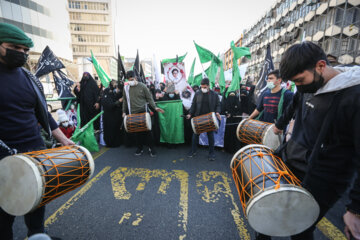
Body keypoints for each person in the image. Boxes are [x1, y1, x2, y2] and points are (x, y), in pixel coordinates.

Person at [275, 41, 360, 239]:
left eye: (299, 80)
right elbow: (296, 100)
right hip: (294, 162)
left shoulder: (354, 96)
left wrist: (356, 208)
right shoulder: (308, 84)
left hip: (325, 176)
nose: (298, 87)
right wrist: (280, 123)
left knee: (299, 227)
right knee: (269, 209)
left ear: (321, 66)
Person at [0, 22, 74, 240]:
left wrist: (63, 140)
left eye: (25, 50)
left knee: (37, 206)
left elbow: (44, 115)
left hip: (36, 152)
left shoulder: (29, 77)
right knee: (4, 215)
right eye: (15, 47)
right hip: (5, 160)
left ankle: (37, 235)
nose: (22, 54)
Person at [122, 70, 164, 157]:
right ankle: (139, 148)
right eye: (129, 80)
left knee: (148, 131)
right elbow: (125, 101)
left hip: (143, 111)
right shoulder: (126, 88)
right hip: (132, 113)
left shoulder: (143, 86)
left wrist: (155, 107)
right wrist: (123, 111)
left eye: (132, 79)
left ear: (136, 77)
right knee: (137, 132)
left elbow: (149, 98)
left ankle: (152, 148)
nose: (131, 81)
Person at [186, 78, 221, 161]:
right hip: (199, 118)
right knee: (195, 136)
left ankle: (211, 153)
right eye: (202, 87)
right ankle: (193, 151)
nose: (203, 89)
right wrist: (190, 113)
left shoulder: (214, 94)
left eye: (205, 87)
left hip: (210, 119)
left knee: (210, 136)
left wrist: (217, 112)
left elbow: (218, 105)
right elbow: (193, 104)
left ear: (208, 86)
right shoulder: (197, 93)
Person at [101, 80, 123, 147]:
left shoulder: (112, 93)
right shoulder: (107, 94)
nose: (115, 88)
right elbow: (110, 105)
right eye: (114, 85)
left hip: (114, 115)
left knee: (115, 129)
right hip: (109, 116)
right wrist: (118, 101)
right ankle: (110, 143)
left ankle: (115, 142)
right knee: (110, 130)